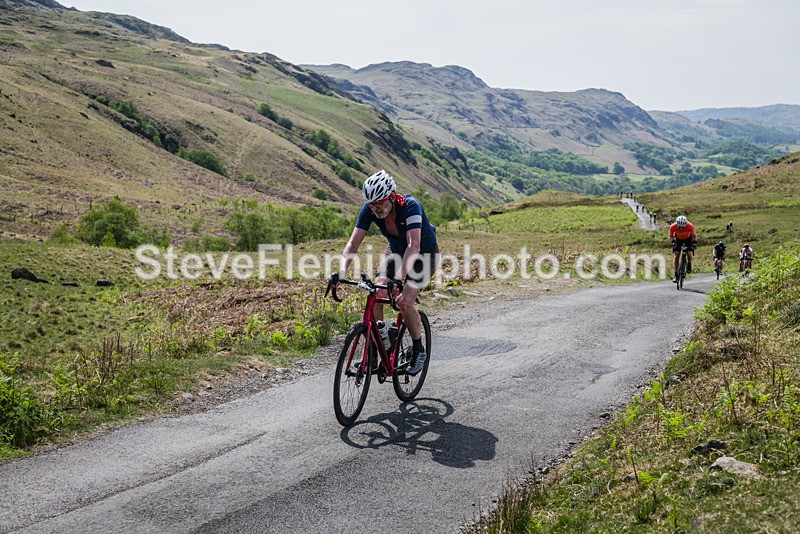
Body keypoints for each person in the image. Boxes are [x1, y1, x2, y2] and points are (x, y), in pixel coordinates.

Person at [332, 170, 439, 375]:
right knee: (376, 292)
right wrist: (341, 271)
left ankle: (418, 350)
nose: (375, 208)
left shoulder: (410, 206)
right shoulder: (369, 209)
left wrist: (399, 278)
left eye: (379, 203)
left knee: (404, 301)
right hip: (396, 252)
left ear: (391, 196)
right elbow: (353, 242)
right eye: (371, 204)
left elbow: (413, 246)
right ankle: (379, 346)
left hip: (424, 255)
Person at [669, 215, 697, 282]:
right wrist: (673, 242)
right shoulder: (673, 226)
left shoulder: (690, 226)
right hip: (678, 239)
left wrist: (694, 243)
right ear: (677, 224)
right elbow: (671, 235)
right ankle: (676, 275)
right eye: (679, 226)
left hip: (688, 239)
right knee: (676, 256)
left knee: (689, 254)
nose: (681, 228)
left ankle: (689, 264)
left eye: (683, 226)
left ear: (685, 224)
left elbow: (694, 235)